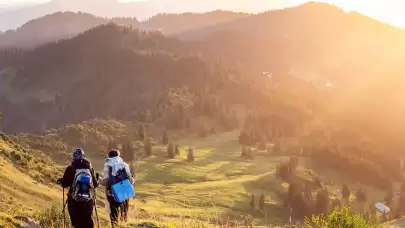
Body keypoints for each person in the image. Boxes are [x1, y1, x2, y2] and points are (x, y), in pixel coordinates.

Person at [57, 148, 99, 228]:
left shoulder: (70, 168)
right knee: (87, 221)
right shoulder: (90, 168)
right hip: (88, 200)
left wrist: (61, 181)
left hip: (74, 200)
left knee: (76, 223)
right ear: (83, 156)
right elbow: (95, 185)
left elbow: (65, 184)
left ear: (74, 157)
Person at [99, 149, 134, 227]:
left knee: (114, 214)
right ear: (118, 156)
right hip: (124, 192)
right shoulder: (124, 165)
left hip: (112, 193)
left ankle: (114, 225)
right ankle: (124, 224)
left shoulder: (108, 165)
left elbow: (104, 182)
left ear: (109, 156)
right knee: (124, 213)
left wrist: (98, 178)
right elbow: (131, 181)